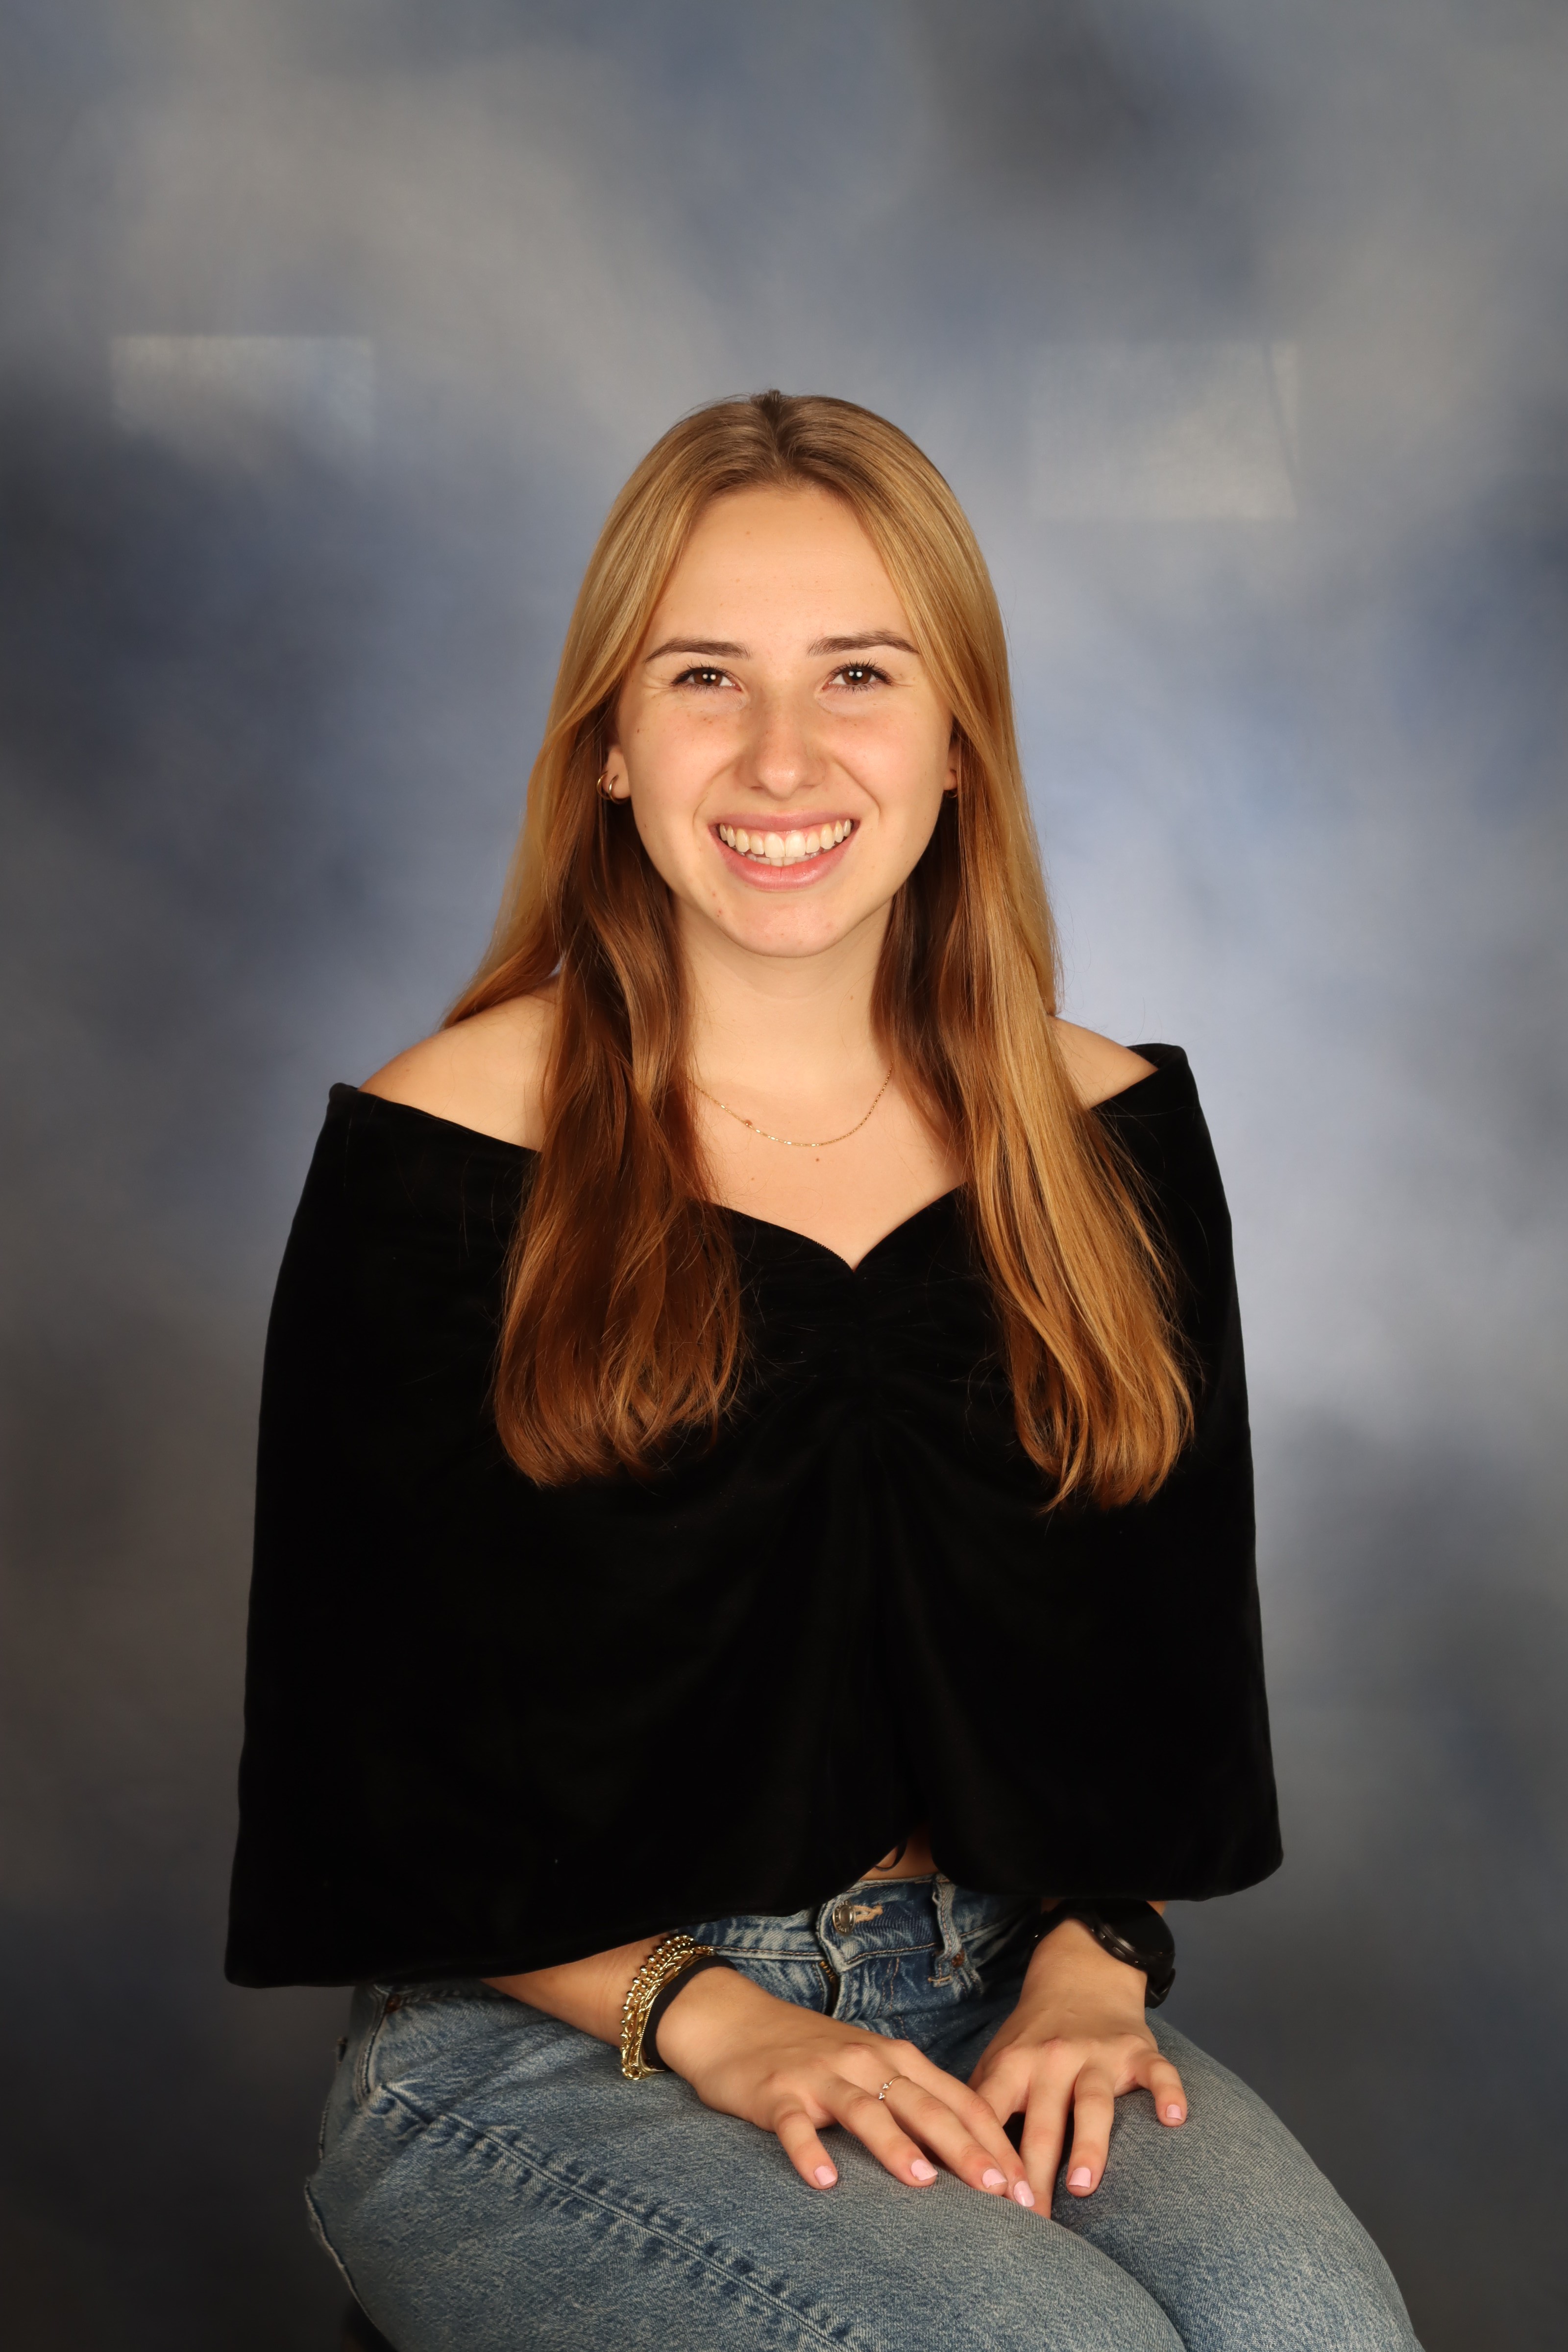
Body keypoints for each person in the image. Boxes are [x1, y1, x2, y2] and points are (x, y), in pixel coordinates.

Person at [227, 392, 1421, 2351]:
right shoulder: (446, 1146)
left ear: (957, 739)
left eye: (858, 673)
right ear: (610, 744)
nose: (781, 755)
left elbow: (1157, 1708)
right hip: (557, 2037)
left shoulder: (1102, 1133)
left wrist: (1090, 1968)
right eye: (704, 676)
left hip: (994, 1984)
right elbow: (360, 1773)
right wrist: (718, 2021)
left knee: (1314, 2330)